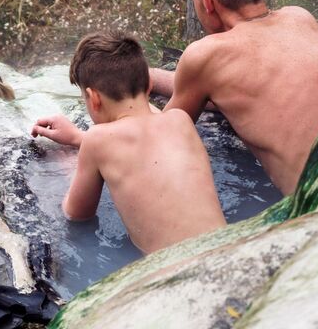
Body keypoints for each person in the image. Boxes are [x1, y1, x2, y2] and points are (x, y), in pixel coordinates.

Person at [37, 0, 318, 197]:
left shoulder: (206, 55)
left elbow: (158, 140)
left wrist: (81, 138)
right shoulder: (301, 17)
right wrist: (132, 75)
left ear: (206, 0)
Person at [32, 31, 226, 254]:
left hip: (175, 272)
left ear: (93, 98)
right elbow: (144, 130)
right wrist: (77, 137)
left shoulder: (97, 141)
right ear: (150, 84)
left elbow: (76, 215)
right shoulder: (180, 120)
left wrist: (68, 168)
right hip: (226, 252)